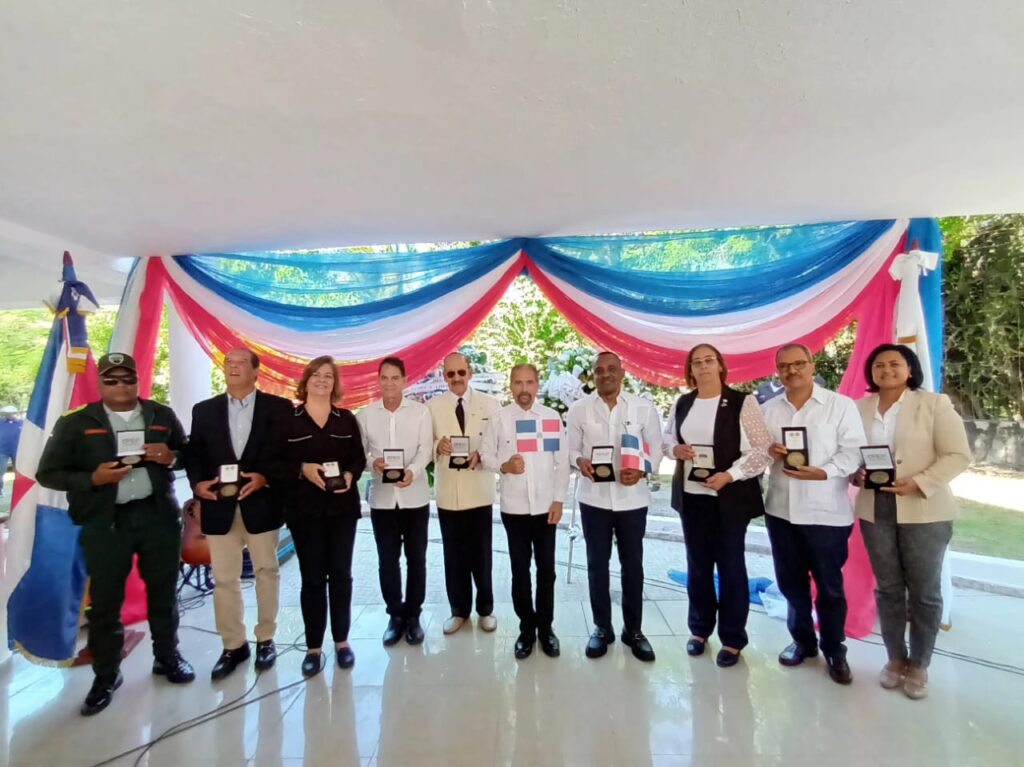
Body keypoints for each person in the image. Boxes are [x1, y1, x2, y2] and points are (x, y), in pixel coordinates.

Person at [36, 353, 195, 715]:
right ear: (100, 383)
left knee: (164, 594)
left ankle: (167, 657)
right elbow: (49, 473)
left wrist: (169, 457)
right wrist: (93, 478)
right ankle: (106, 675)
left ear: (138, 381)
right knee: (106, 603)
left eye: (128, 379)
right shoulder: (77, 423)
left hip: (156, 517)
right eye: (112, 380)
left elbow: (187, 455)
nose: (121, 386)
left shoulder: (161, 414)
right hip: (105, 522)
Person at [854, 343, 971, 700]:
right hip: (875, 508)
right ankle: (894, 659)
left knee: (924, 592)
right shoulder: (859, 407)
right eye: (878, 365)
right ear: (870, 372)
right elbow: (847, 452)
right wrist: (854, 474)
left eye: (894, 363)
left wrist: (919, 483)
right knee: (888, 589)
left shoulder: (934, 404)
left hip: (924, 509)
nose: (886, 370)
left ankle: (919, 663)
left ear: (910, 369)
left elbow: (958, 455)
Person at [185, 348, 293, 680]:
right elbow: (196, 454)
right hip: (219, 508)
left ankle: (265, 638)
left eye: (240, 363)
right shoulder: (204, 411)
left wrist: (266, 478)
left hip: (261, 504)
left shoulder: (278, 408)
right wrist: (197, 485)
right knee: (225, 579)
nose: (232, 367)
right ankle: (233, 644)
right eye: (228, 363)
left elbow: (288, 455)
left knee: (266, 571)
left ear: (256, 371)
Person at [760, 344, 865, 684]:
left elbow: (853, 454)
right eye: (784, 366)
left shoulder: (839, 406)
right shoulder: (768, 410)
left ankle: (835, 649)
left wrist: (824, 472)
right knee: (791, 584)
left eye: (798, 364)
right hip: (781, 510)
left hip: (826, 514)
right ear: (777, 371)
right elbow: (755, 454)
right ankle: (802, 642)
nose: (791, 371)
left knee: (830, 587)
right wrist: (768, 451)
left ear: (811, 365)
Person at [663, 343, 771, 668]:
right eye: (697, 362)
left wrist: (730, 474)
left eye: (709, 360)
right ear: (690, 370)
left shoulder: (742, 401)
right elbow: (668, 440)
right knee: (697, 567)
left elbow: (762, 449)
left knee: (731, 568)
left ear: (721, 366)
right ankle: (699, 631)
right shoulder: (683, 403)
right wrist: (674, 451)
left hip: (729, 499)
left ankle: (733, 638)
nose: (703, 366)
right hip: (692, 498)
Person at [566, 351, 663, 662]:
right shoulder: (579, 409)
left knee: (632, 565)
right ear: (593, 376)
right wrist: (578, 460)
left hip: (632, 500)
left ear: (623, 372)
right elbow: (570, 449)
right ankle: (602, 627)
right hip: (593, 498)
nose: (605, 374)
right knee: (597, 564)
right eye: (599, 370)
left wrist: (644, 468)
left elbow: (655, 449)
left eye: (611, 369)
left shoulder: (643, 408)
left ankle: (633, 630)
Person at [281, 357, 366, 675]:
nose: (321, 380)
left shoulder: (346, 418)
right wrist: (301, 469)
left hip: (342, 510)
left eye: (328, 376)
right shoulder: (289, 419)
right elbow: (274, 461)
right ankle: (313, 647)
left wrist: (350, 476)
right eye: (316, 375)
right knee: (312, 579)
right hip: (304, 511)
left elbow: (358, 457)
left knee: (341, 576)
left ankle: (342, 642)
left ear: (335, 383)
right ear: (306, 381)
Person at [480, 363, 568, 659]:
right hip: (514, 508)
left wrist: (558, 500)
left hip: (545, 508)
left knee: (547, 572)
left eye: (529, 382)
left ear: (538, 384)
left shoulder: (550, 418)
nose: (524, 389)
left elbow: (562, 463)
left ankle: (546, 629)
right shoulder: (500, 418)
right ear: (510, 385)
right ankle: (526, 629)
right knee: (520, 571)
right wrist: (504, 466)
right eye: (518, 383)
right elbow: (486, 455)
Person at [356, 356, 434, 647]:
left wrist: (412, 473)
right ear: (378, 380)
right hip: (382, 500)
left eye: (395, 378)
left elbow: (425, 450)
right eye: (384, 378)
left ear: (404, 380)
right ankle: (395, 615)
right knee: (387, 561)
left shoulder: (420, 413)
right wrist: (372, 462)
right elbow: (359, 453)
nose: (389, 383)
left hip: (414, 498)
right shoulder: (365, 414)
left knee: (416, 559)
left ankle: (413, 615)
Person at [427, 352, 501, 635]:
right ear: (444, 375)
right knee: (453, 555)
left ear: (469, 372)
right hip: (449, 492)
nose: (456, 378)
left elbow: (496, 445)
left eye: (461, 372)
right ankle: (458, 610)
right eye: (450, 374)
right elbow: (426, 443)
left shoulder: (490, 404)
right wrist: (438, 446)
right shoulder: (433, 407)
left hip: (478, 489)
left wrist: (481, 453)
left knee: (482, 554)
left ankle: (486, 610)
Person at [0, 404, 23, 497]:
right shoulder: (1, 422)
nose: (8, 415)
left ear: (14, 413)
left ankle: (19, 490)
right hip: (2, 451)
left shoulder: (21, 423)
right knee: (1, 471)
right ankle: (0, 489)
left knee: (18, 471)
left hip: (17, 450)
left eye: (10, 413)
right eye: (7, 413)